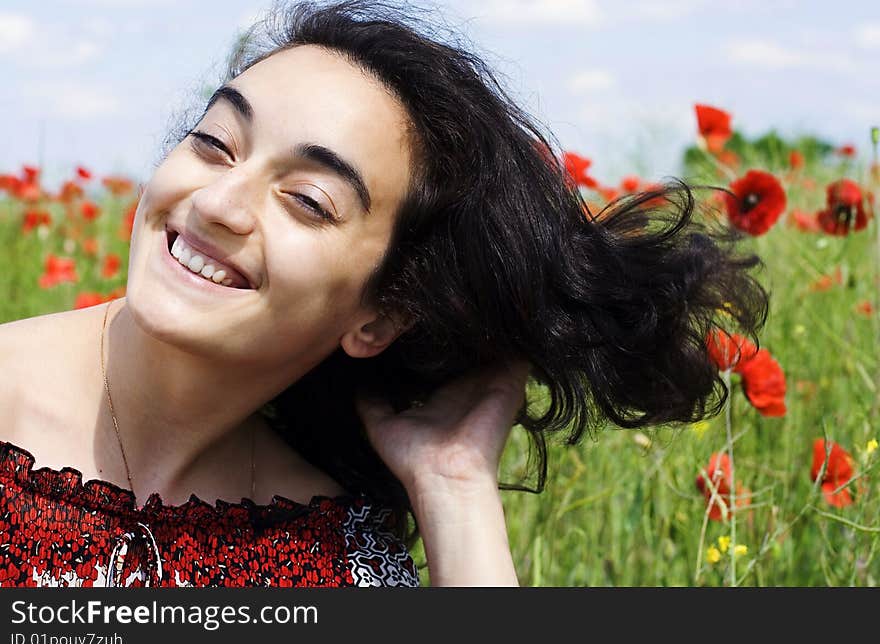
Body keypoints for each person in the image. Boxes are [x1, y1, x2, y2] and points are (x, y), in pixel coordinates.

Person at [0, 0, 766, 587]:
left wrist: (456, 492)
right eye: (214, 144)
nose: (217, 204)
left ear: (382, 315)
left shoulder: (334, 552)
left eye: (306, 200)